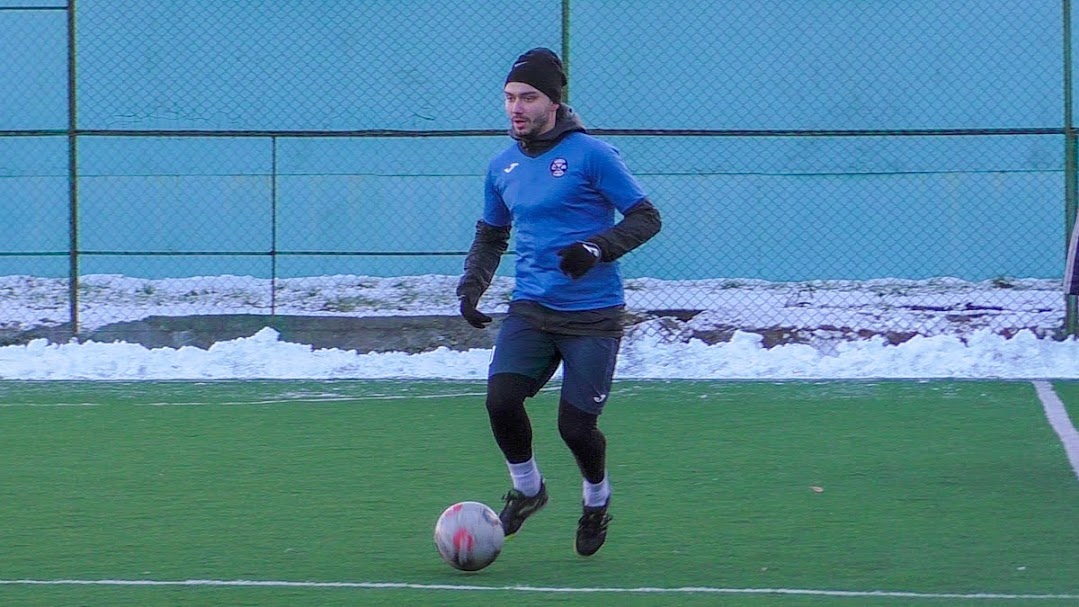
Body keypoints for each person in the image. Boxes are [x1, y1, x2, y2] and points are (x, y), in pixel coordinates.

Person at [455, 47, 662, 556]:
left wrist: (596, 248)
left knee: (575, 427)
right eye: (508, 98)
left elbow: (646, 217)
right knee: (501, 401)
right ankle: (528, 490)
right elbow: (490, 235)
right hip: (531, 308)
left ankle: (596, 499)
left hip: (592, 317)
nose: (515, 108)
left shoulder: (593, 154)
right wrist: (472, 285)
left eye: (528, 97)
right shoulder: (501, 165)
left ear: (553, 101)